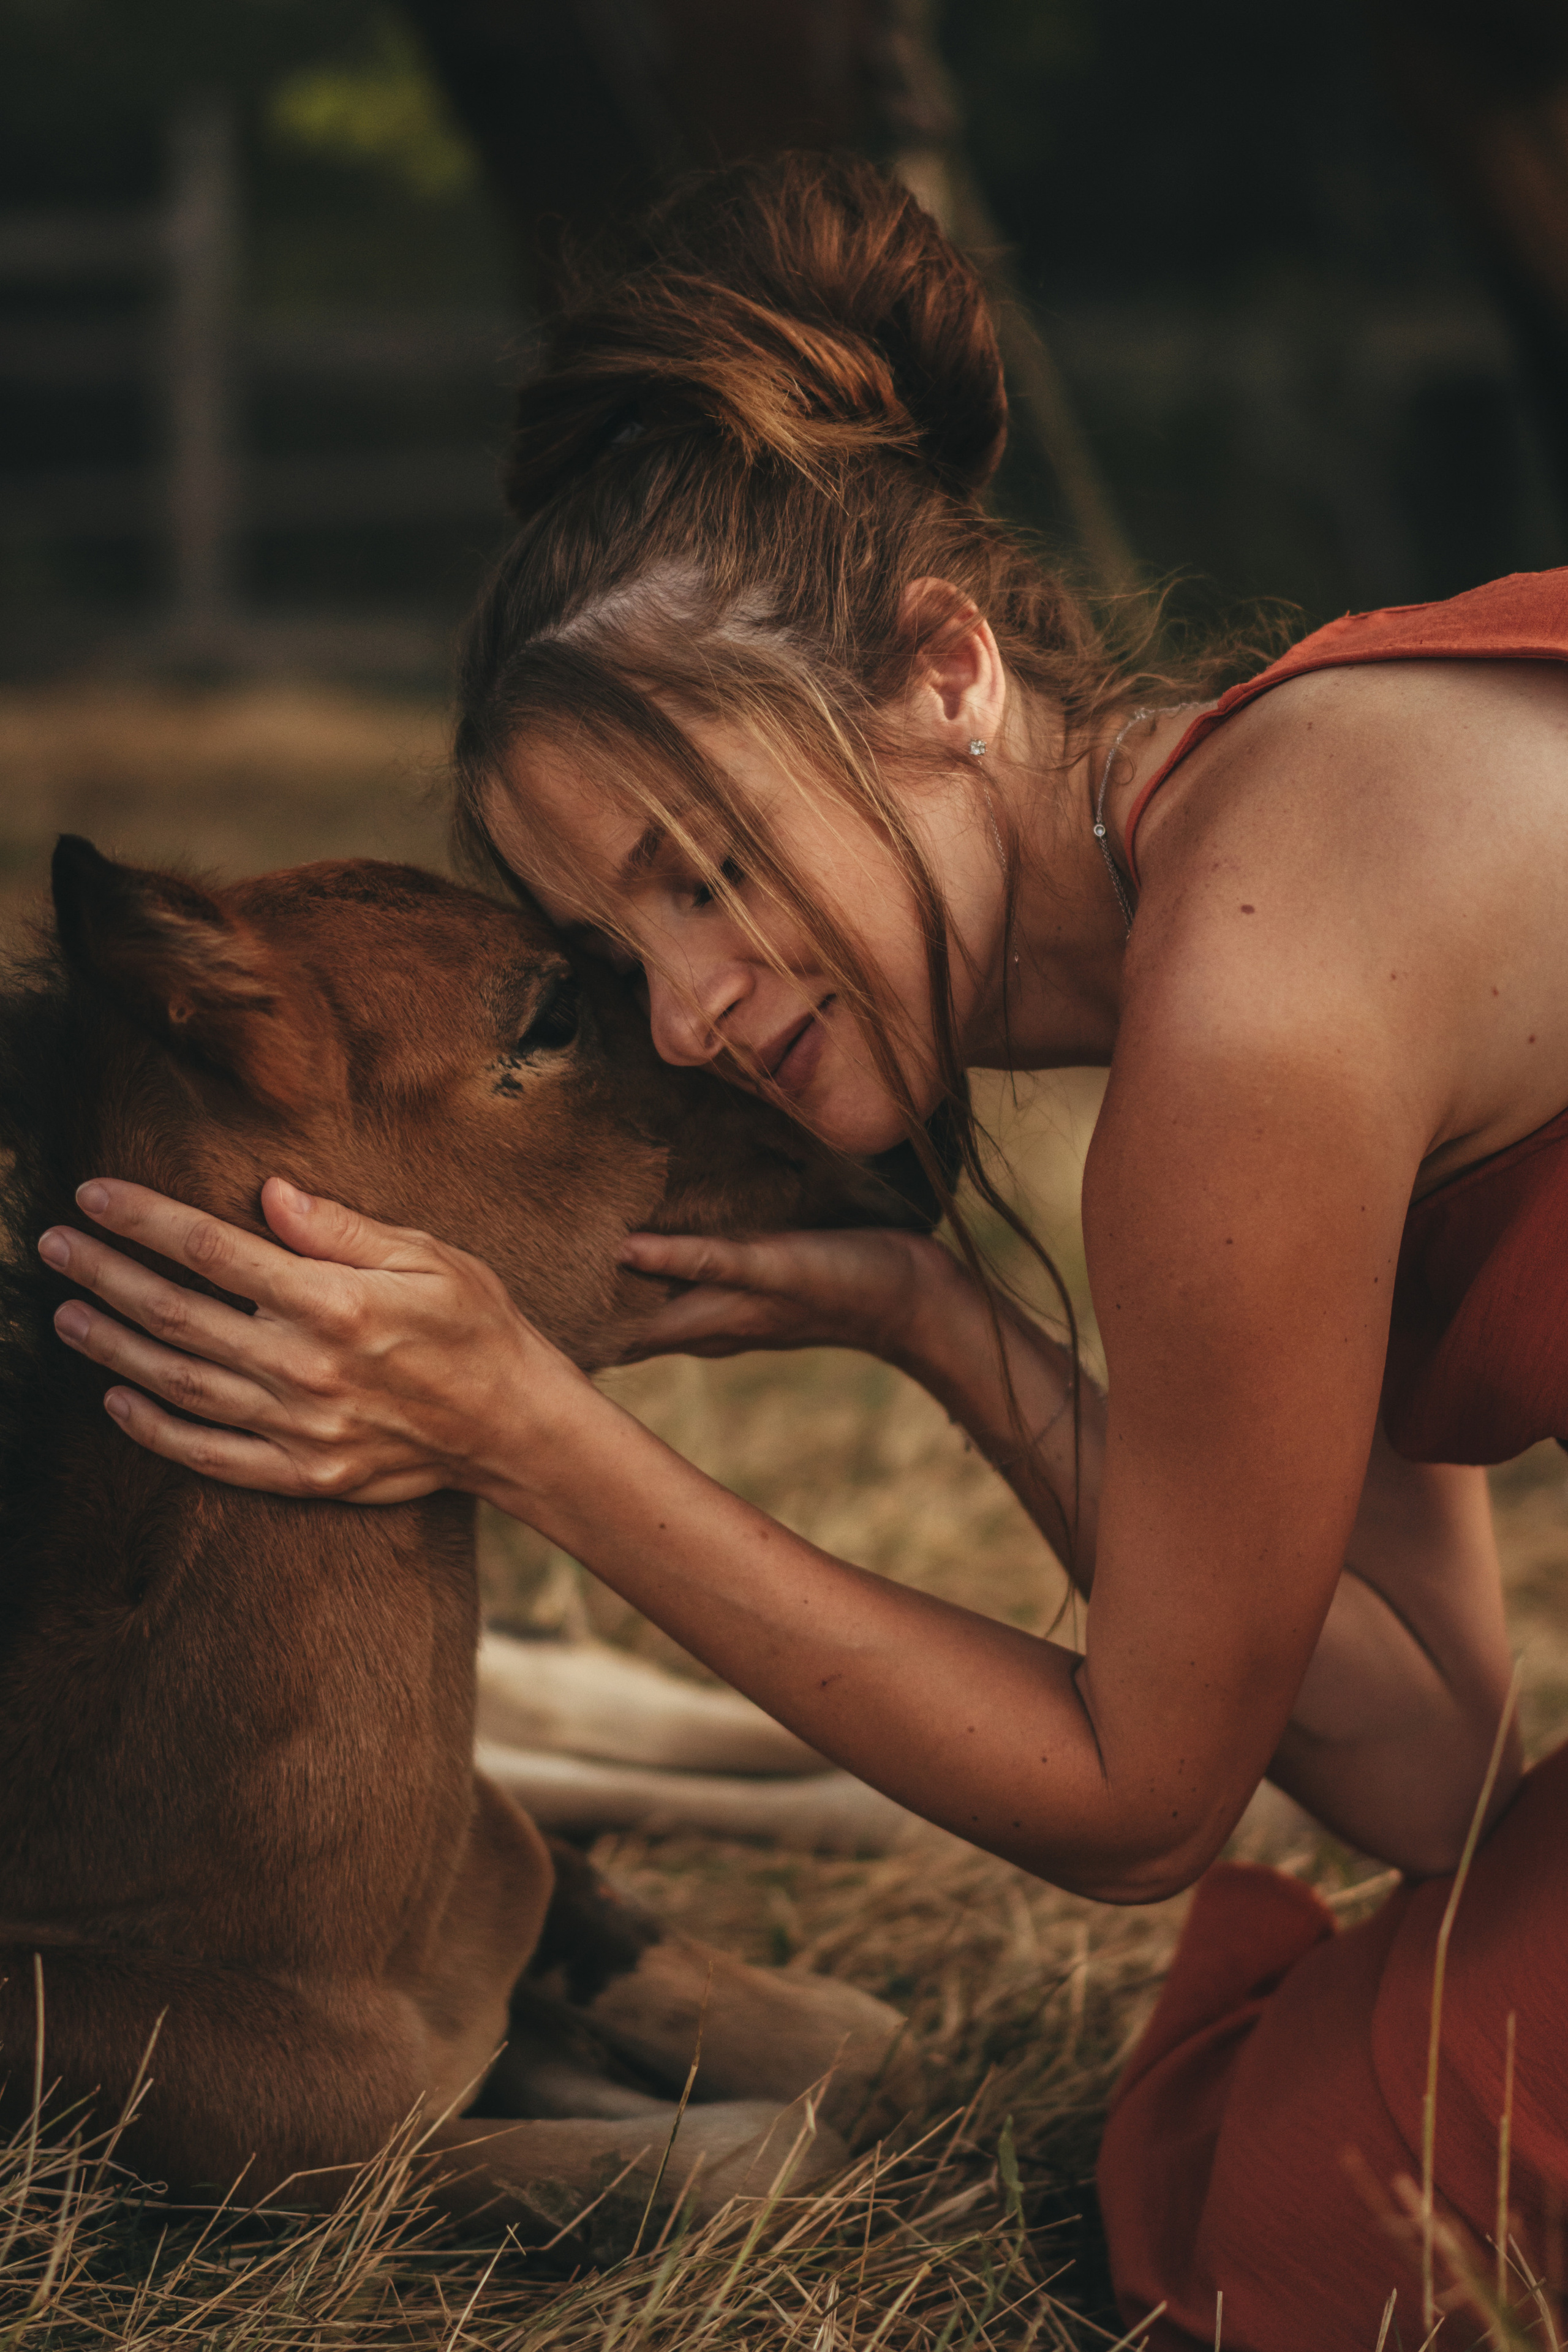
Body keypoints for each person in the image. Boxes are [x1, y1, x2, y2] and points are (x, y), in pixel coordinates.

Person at [32, 156, 1568, 2345]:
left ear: (947, 670)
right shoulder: (1260, 879)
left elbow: (1144, 1810)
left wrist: (535, 1436)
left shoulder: (1259, 994)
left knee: (1293, 2244)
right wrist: (937, 1323)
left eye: (709, 862)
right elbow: (1432, 1763)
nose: (686, 1010)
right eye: (612, 949)